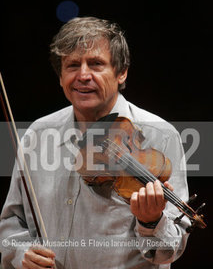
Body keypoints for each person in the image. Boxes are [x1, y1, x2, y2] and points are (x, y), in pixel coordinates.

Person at [0, 17, 190, 269]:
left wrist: (151, 222)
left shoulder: (160, 135)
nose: (83, 75)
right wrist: (21, 252)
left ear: (121, 73)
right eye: (72, 65)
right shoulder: (38, 133)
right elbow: (11, 223)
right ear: (60, 76)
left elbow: (171, 249)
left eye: (96, 64)